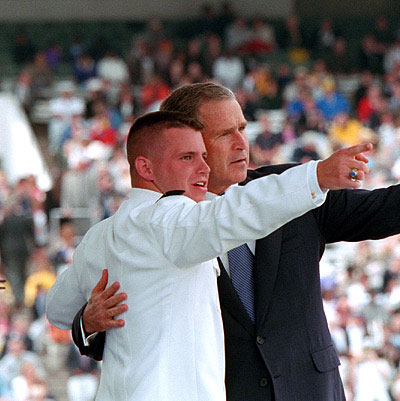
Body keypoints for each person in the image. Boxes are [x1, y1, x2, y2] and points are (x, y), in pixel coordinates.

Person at [70, 83, 400, 400]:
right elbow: (133, 333)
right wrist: (87, 327)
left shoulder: (291, 189)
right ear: (183, 145)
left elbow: (390, 208)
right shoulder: (152, 228)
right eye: (224, 134)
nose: (241, 142)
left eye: (243, 128)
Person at [45, 110, 371, 400]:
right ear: (145, 167)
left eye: (203, 155)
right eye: (187, 157)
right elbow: (237, 211)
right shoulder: (170, 218)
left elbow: (58, 309)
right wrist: (317, 177)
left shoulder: (99, 236)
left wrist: (87, 320)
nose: (204, 167)